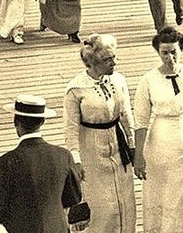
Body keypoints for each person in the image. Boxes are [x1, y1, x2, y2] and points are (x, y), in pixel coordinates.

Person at [132, 26, 183, 232]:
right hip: (161, 145)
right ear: (158, 53)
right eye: (165, 52)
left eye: (174, 51)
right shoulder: (148, 79)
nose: (170, 57)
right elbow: (141, 122)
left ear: (181, 50)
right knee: (166, 195)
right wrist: (139, 156)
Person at [64, 34, 137, 233]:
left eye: (114, 57)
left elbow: (126, 114)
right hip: (91, 147)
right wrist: (76, 161)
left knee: (124, 199)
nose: (114, 62)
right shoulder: (76, 89)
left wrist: (132, 145)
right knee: (101, 203)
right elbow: (71, 129)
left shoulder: (119, 80)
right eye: (108, 59)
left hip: (117, 141)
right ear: (94, 62)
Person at [0, 94, 84, 233]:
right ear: (42, 122)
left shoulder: (8, 161)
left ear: (16, 122)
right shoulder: (63, 155)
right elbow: (74, 197)